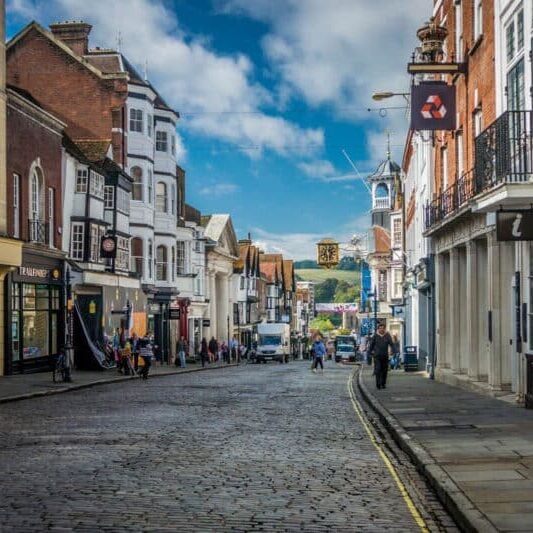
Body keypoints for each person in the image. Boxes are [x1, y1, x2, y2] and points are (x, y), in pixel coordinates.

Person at [368, 323, 394, 390]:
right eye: (380, 328)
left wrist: (392, 351)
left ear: (384, 329)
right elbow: (371, 345)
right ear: (378, 329)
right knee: (378, 370)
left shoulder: (387, 335)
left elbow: (391, 344)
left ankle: (383, 383)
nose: (381, 330)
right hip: (377, 356)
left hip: (385, 356)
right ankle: (378, 384)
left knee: (384, 371)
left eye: (383, 328)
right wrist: (370, 352)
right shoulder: (375, 336)